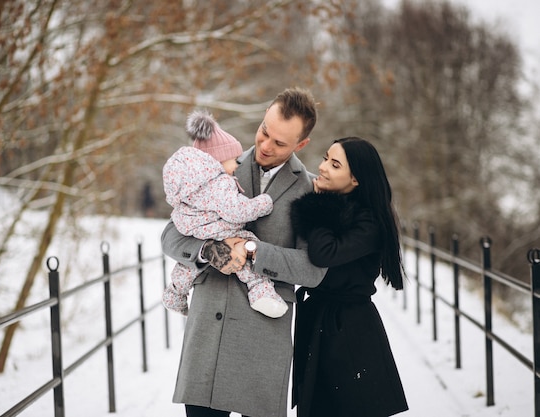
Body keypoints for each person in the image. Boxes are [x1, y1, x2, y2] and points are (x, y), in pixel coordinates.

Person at [161, 87, 327, 417]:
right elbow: (170, 237)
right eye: (265, 131)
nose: (265, 145)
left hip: (264, 343)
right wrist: (210, 250)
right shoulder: (216, 164)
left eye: (280, 143)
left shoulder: (309, 189)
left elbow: (313, 270)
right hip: (209, 335)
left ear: (301, 145)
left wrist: (252, 250)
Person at [290, 136, 409, 417]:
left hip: (349, 332)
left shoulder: (368, 221)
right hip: (323, 322)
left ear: (355, 179)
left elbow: (323, 254)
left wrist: (318, 206)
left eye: (334, 164)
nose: (322, 168)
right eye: (324, 158)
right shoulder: (343, 209)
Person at [162, 109, 288, 318]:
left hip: (196, 231)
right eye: (234, 159)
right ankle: (260, 291)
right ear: (217, 160)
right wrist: (262, 204)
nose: (237, 165)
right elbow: (236, 211)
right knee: (246, 250)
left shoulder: (192, 185)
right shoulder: (219, 183)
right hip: (221, 230)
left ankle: (174, 294)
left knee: (186, 267)